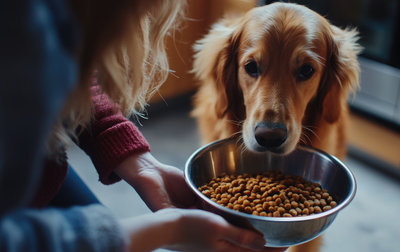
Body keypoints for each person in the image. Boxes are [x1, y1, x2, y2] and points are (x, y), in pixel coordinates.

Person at [0, 0, 286, 251]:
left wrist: (135, 159)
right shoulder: (22, 36)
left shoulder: (41, 29)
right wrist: (168, 231)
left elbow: (73, 70)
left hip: (42, 166)